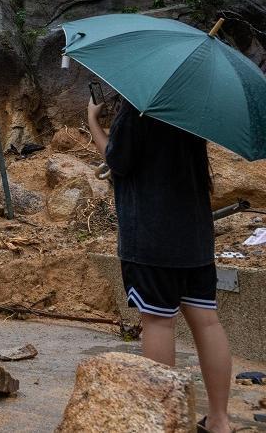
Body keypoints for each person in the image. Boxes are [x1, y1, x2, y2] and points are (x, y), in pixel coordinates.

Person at [87, 94, 232, 433]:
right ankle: (219, 420)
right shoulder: (191, 109)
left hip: (151, 241)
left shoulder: (139, 108)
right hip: (195, 239)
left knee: (158, 324)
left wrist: (94, 121)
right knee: (208, 323)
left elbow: (117, 161)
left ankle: (165, 423)